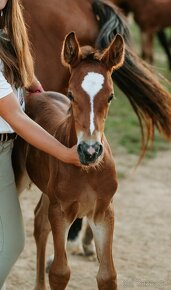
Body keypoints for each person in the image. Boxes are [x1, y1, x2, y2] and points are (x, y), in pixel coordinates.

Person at [0, 0, 80, 288]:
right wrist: (66, 154)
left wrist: (32, 83)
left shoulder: (6, 33)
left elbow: (18, 63)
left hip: (6, 148)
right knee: (11, 242)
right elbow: (15, 117)